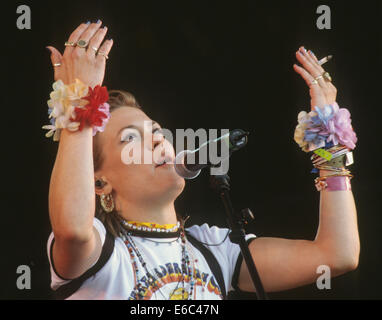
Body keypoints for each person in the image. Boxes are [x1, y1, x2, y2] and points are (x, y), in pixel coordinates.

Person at [44, 20, 360, 300]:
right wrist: (79, 102)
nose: (157, 138)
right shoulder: (99, 250)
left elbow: (336, 254)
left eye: (155, 130)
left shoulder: (214, 250)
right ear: (99, 182)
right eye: (129, 138)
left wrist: (328, 141)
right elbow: (71, 229)